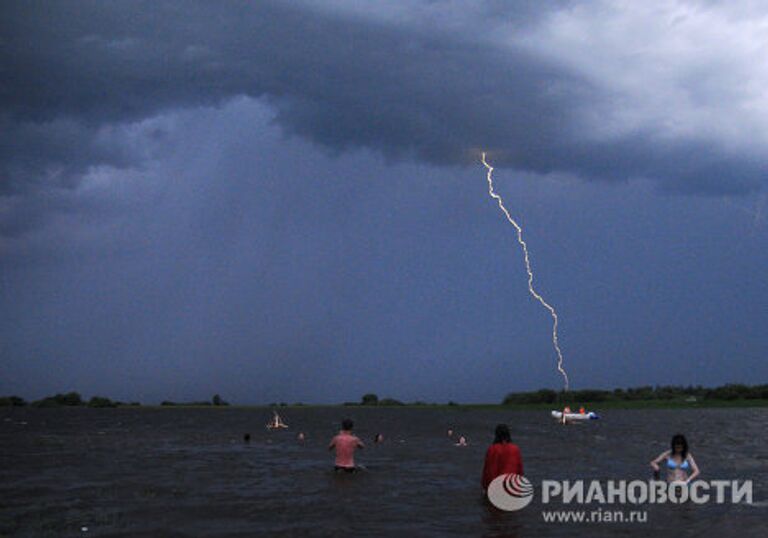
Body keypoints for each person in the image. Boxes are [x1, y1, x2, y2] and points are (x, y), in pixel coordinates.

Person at [482, 424, 524, 491]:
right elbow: (519, 470)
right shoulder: (515, 449)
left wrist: (485, 486)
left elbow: (488, 470)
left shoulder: (492, 449)